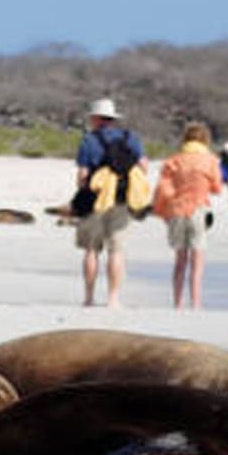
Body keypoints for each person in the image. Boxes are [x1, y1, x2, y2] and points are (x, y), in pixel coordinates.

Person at [73, 97, 147, 308]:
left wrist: (85, 190)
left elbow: (83, 174)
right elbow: (143, 167)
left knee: (91, 250)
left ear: (95, 118)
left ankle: (89, 297)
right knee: (116, 250)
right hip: (122, 199)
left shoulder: (88, 140)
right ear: (113, 118)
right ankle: (113, 299)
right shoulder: (129, 138)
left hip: (95, 200)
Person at [152, 122, 222, 309]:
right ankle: (196, 303)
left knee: (180, 261)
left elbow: (163, 188)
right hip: (198, 210)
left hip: (176, 211)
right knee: (197, 263)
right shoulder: (210, 160)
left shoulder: (174, 160)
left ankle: (177, 302)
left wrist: (162, 209)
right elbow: (217, 187)